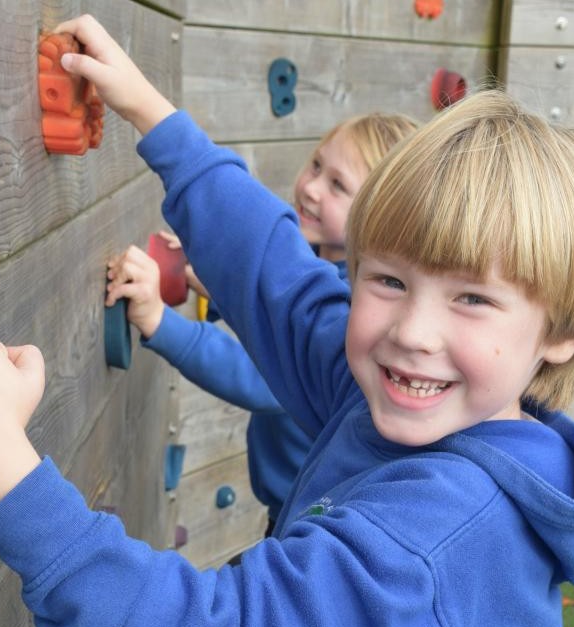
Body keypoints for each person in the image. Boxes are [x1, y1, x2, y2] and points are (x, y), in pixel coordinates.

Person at [0, 14, 574, 627]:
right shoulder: (425, 400)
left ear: (563, 330)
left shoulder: (430, 545)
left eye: (471, 298)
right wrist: (153, 116)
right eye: (388, 279)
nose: (412, 331)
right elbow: (283, 282)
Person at [106, 112, 420, 537]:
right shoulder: (316, 262)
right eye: (316, 165)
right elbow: (273, 312)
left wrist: (159, 322)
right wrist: (213, 276)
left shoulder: (358, 311)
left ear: (383, 217)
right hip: (286, 505)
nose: (311, 188)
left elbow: (262, 378)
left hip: (314, 524)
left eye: (338, 186)